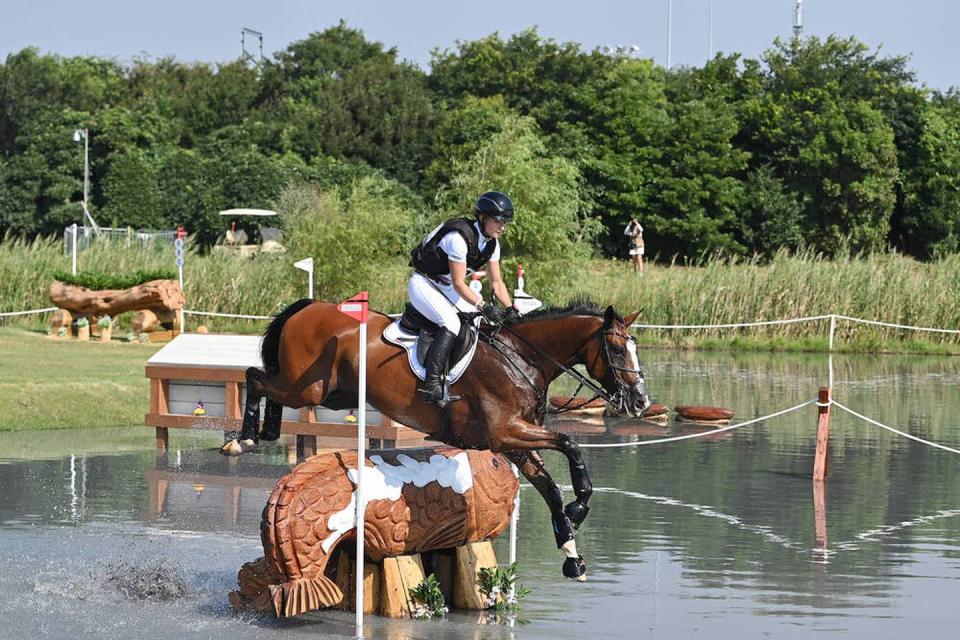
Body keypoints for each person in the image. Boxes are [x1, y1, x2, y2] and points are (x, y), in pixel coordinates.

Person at [408, 191, 521, 404]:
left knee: (477, 318)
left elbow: (497, 283)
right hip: (424, 283)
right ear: (482, 217)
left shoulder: (491, 244)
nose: (502, 227)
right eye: (497, 221)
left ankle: (457, 375)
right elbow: (460, 283)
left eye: (505, 222)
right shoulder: (458, 238)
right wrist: (484, 305)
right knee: (450, 323)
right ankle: (431, 384)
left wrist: (510, 309)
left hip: (447, 285)